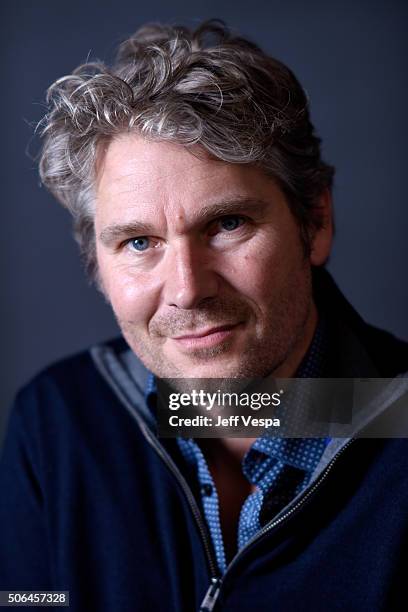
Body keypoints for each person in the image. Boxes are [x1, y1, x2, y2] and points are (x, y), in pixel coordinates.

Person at [1, 19, 408, 612]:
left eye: (227, 224)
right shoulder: (58, 422)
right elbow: (26, 602)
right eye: (139, 242)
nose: (187, 291)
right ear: (96, 262)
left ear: (314, 222)